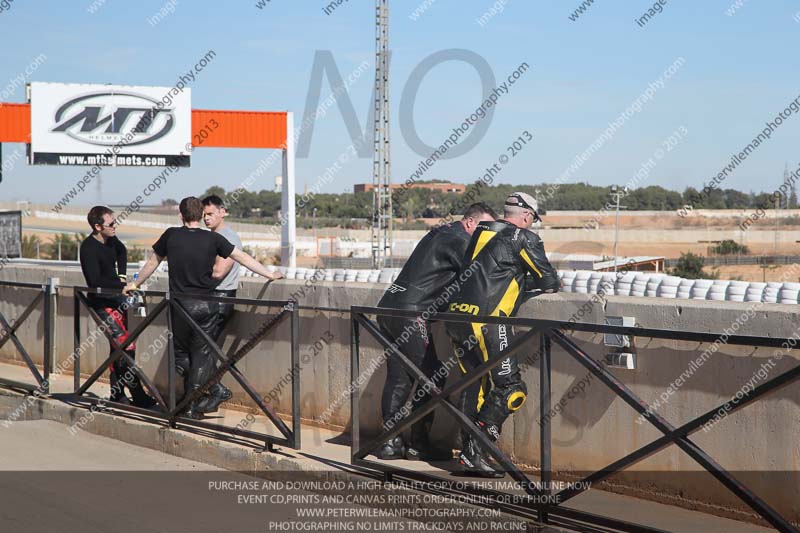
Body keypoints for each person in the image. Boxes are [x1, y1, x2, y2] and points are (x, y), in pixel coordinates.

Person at [123, 197, 283, 419]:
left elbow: (152, 263)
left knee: (181, 355)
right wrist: (270, 274)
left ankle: (186, 400)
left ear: (181, 215)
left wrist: (134, 283)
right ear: (201, 215)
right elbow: (242, 257)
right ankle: (190, 407)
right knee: (201, 355)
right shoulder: (213, 239)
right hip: (206, 306)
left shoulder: (171, 235)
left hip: (179, 305)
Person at [446, 192, 560, 477]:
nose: (532, 223)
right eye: (533, 218)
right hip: (489, 322)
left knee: (474, 386)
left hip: (456, 316)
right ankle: (476, 452)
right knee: (511, 391)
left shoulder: (482, 231)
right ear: (526, 216)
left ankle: (467, 455)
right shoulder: (524, 237)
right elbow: (549, 281)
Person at [375, 202, 497, 461]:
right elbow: (481, 274)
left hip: (389, 307)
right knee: (434, 378)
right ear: (470, 223)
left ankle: (390, 442)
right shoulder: (460, 239)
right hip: (412, 313)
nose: (487, 235)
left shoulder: (441, 233)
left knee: (399, 377)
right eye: (484, 228)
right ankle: (417, 442)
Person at [79, 205, 157, 408]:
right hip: (101, 303)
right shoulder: (88, 248)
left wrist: (122, 276)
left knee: (118, 349)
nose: (115, 226)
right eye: (111, 224)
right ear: (97, 227)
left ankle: (117, 393)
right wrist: (121, 286)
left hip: (117, 301)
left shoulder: (112, 241)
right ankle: (137, 393)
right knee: (125, 347)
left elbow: (122, 252)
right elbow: (94, 280)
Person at [192, 194, 242, 415]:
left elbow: (219, 271)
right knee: (204, 349)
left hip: (220, 298)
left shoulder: (227, 236)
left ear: (223, 212)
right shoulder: (212, 236)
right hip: (213, 298)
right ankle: (211, 391)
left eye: (211, 214)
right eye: (204, 215)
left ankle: (215, 390)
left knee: (205, 349)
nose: (206, 219)